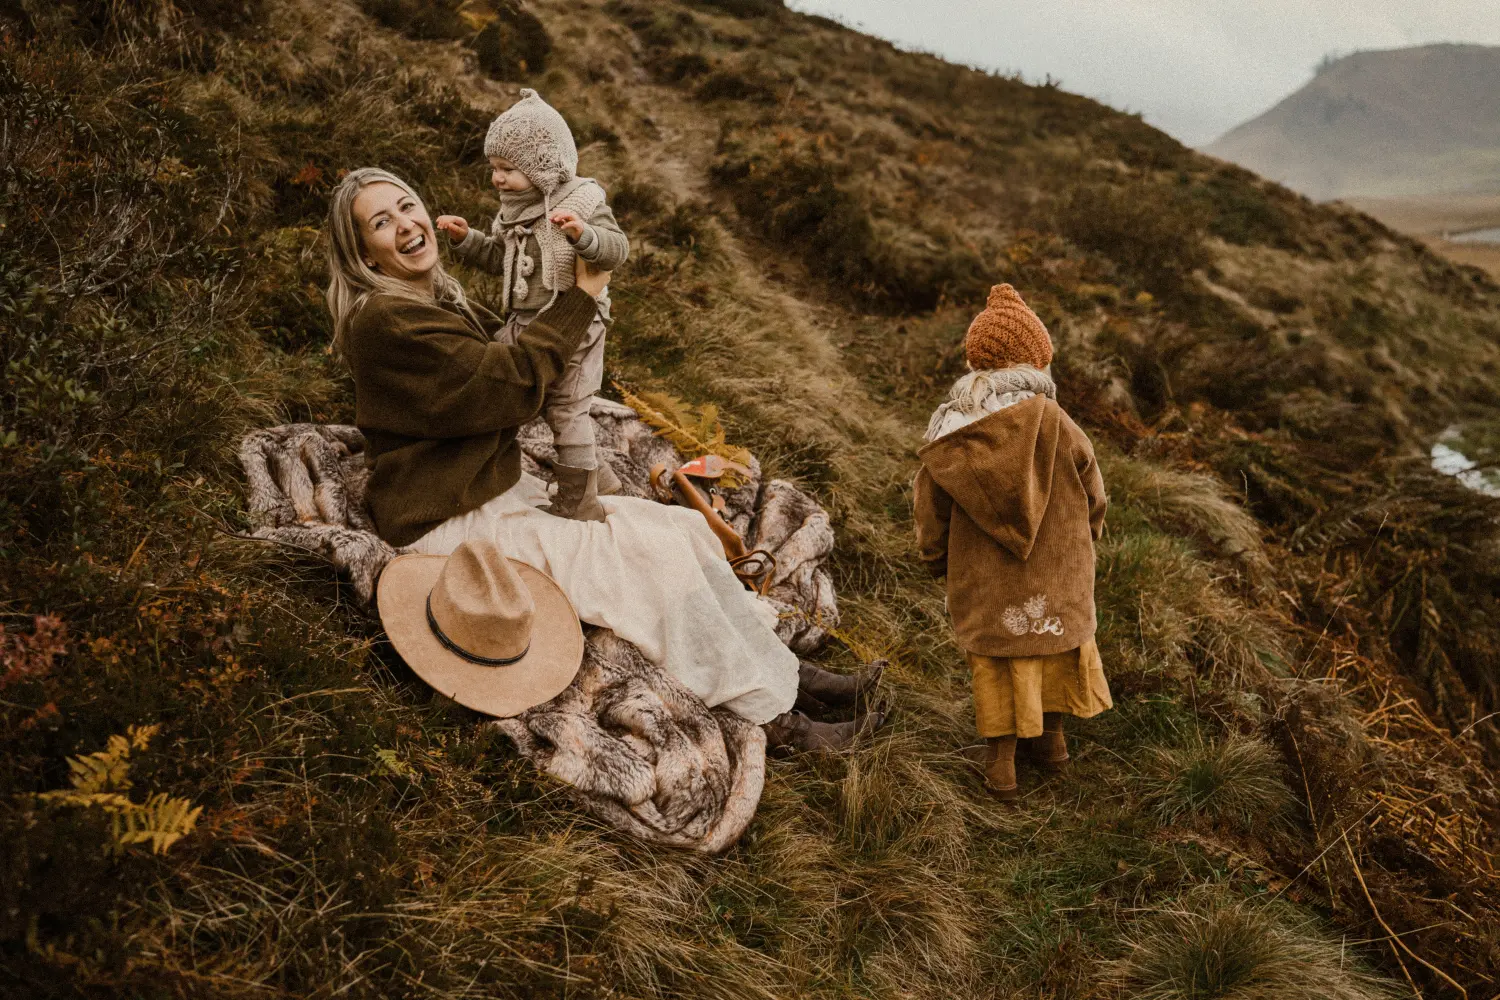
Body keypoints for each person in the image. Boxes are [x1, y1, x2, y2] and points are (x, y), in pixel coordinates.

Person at [325, 166, 880, 746]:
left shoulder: (425, 297)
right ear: (362, 251)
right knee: (645, 561)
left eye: (408, 206)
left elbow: (513, 363)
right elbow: (510, 385)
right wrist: (581, 297)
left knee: (680, 528)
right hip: (452, 522)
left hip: (482, 491)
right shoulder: (385, 320)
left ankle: (789, 675)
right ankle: (779, 719)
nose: (407, 226)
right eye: (381, 222)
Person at [913, 284, 1113, 801]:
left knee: (999, 663)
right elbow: (1094, 493)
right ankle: (1054, 745)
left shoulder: (950, 432)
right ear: (1038, 361)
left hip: (986, 582)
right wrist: (1086, 540)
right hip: (1057, 573)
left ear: (976, 361)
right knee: (1054, 649)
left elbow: (930, 511)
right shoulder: (1059, 424)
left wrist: (936, 558)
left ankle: (1001, 766)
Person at [434, 89, 629, 522]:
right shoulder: (512, 211)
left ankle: (582, 500)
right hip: (524, 322)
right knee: (499, 388)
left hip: (575, 323)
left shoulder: (583, 202)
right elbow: (503, 262)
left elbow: (616, 251)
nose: (497, 179)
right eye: (494, 168)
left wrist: (584, 237)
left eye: (508, 169)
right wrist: (467, 240)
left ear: (542, 167)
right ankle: (483, 467)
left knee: (567, 407)